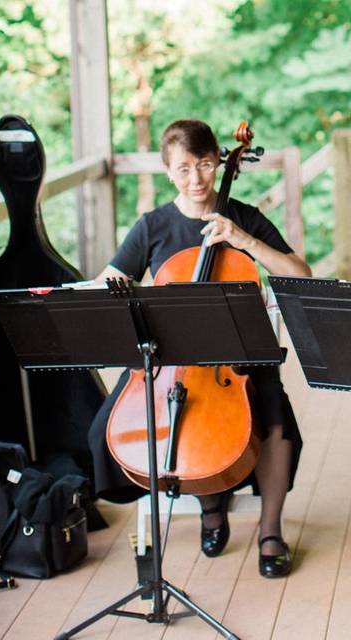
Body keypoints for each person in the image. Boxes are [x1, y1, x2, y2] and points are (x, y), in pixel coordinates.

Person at [89, 118, 311, 578]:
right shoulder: (153, 226)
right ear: (169, 170)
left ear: (217, 162)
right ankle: (211, 506)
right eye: (185, 169)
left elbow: (300, 273)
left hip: (241, 354)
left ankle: (271, 530)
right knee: (114, 426)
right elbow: (112, 280)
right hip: (173, 357)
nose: (197, 180)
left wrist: (243, 240)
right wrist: (109, 286)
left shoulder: (242, 216)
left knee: (275, 423)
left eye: (207, 165)